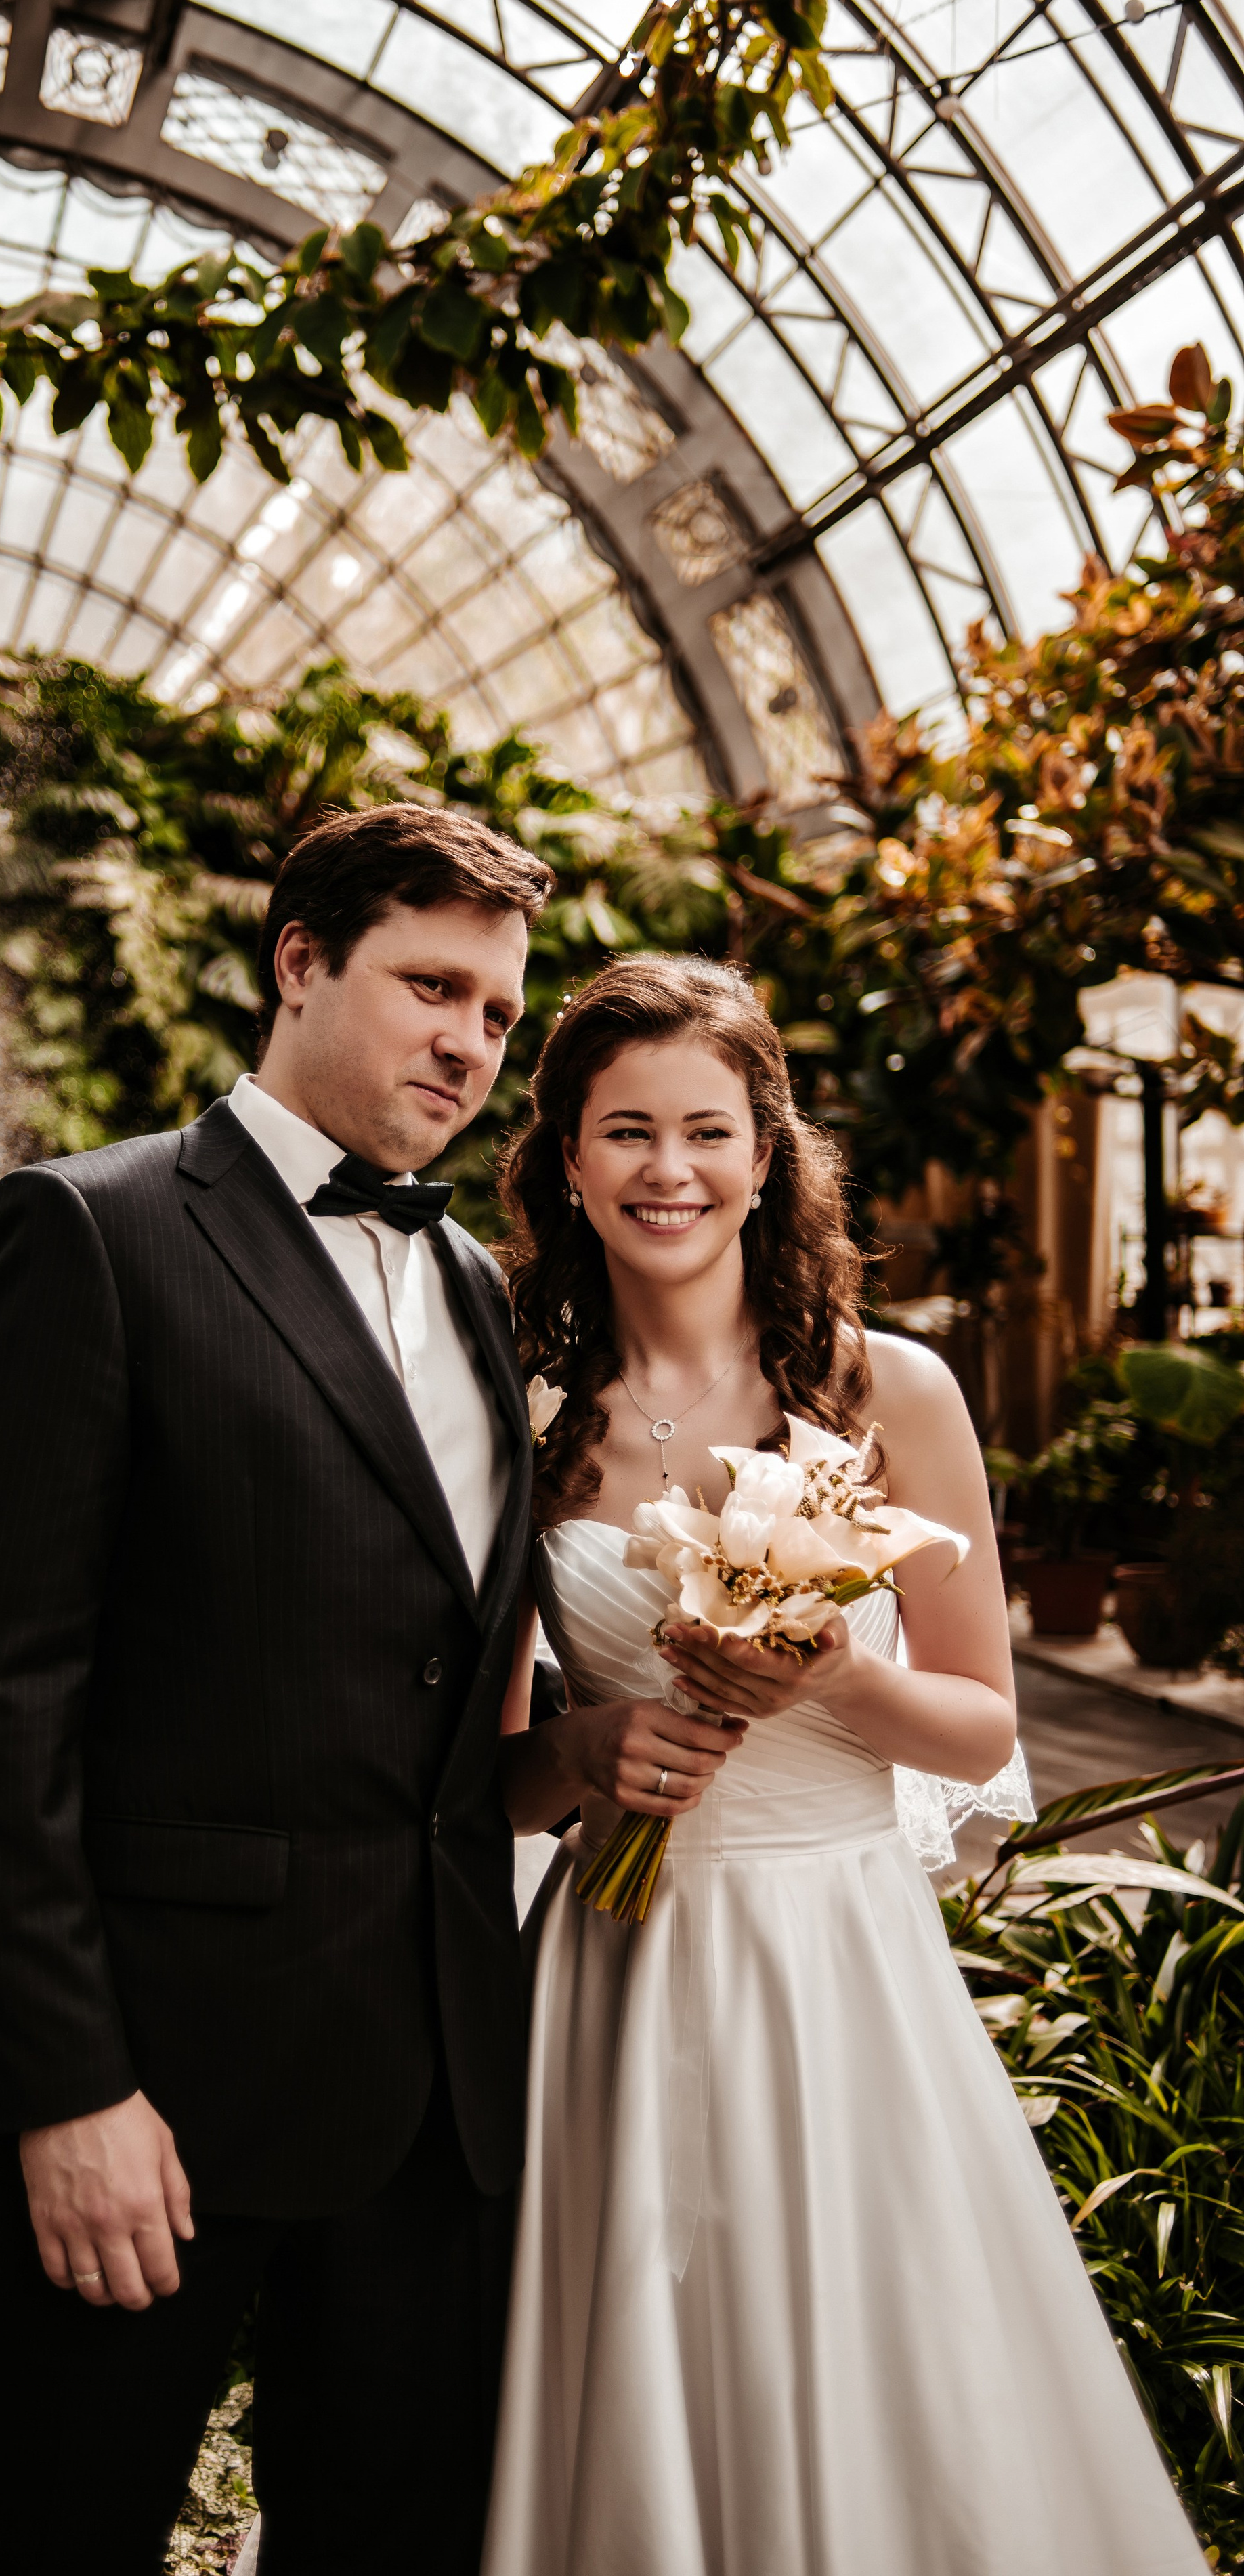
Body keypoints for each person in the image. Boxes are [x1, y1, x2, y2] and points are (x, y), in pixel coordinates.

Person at [0, 803, 659, 2575]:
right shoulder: (85, 1231)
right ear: (298, 962)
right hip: (151, 2101)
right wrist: (63, 2085)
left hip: (435, 2116)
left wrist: (591, 1753)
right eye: (432, 986)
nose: (471, 1042)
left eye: (497, 1010)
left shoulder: (481, 1286)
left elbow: (434, 1688)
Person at [481, 953, 1207, 2576]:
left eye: (703, 1130)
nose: (666, 1170)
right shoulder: (518, 1411)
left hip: (832, 1960)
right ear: (565, 1163)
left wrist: (831, 1675)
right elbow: (492, 1765)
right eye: (621, 1132)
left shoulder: (891, 1391)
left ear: (764, 1155)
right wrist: (590, 1758)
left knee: (876, 2364)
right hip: (604, 1961)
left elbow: (979, 1721)